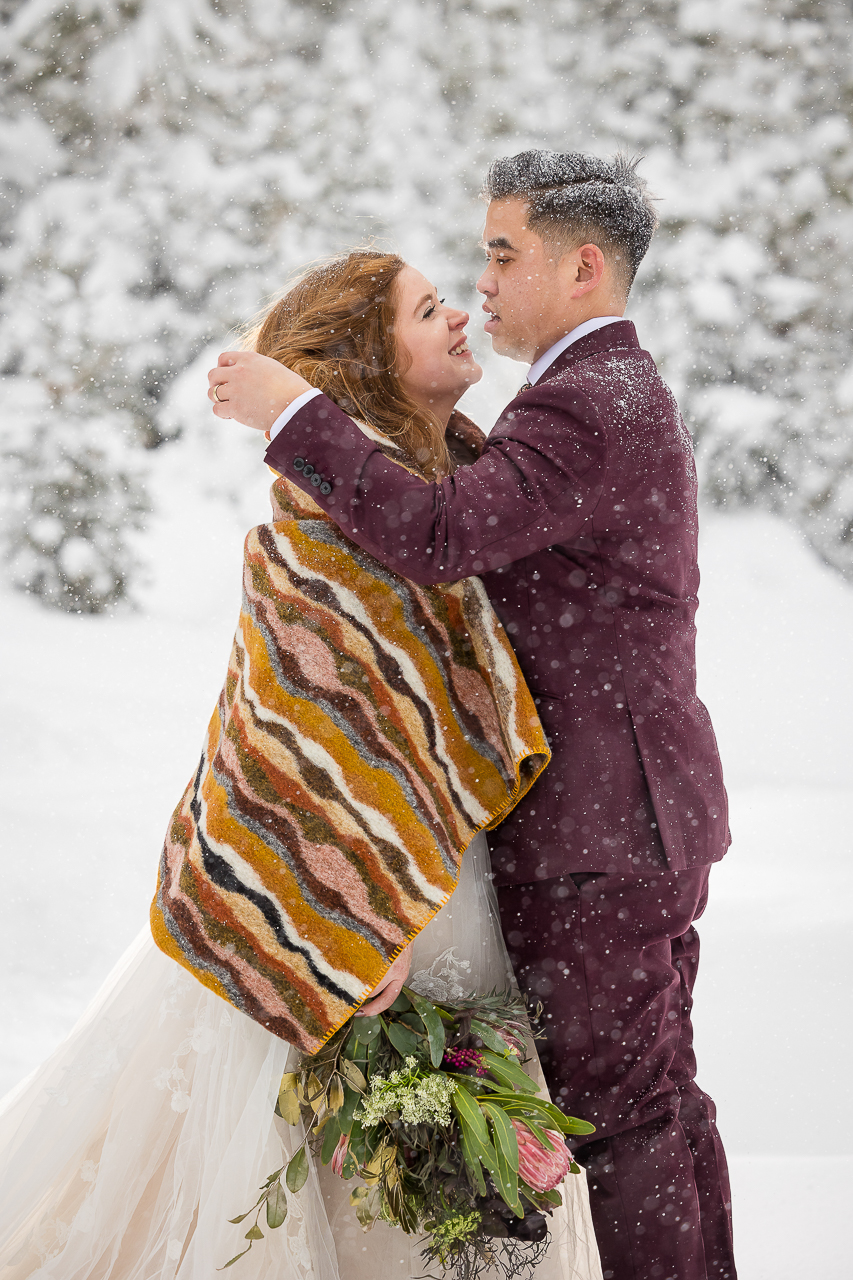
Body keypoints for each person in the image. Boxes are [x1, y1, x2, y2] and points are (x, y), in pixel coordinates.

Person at [0, 249, 602, 1280]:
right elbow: (301, 750)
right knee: (364, 1192)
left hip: (449, 902)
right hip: (368, 923)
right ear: (368, 366)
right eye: (424, 310)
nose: (457, 315)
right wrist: (350, 913)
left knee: (459, 1199)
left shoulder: (447, 500)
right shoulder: (324, 531)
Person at [208, 152, 736, 1280]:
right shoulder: (597, 396)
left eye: (503, 253)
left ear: (582, 266)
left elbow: (440, 534)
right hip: (633, 815)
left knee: (618, 1120)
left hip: (602, 830)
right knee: (655, 1103)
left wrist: (293, 410)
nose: (479, 280)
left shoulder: (585, 404)